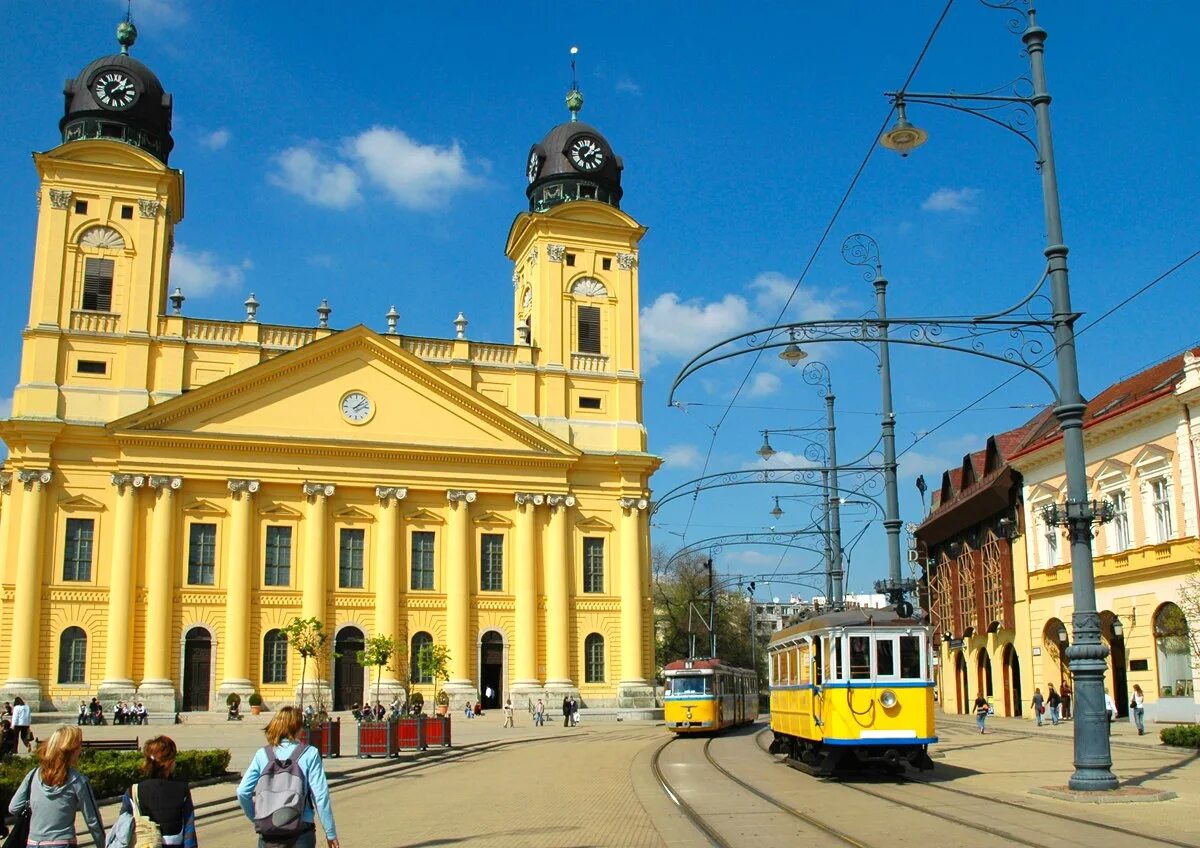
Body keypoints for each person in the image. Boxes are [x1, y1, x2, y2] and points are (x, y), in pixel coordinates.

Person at [237, 706, 339, 848]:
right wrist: (330, 833)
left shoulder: (262, 754)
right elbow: (320, 797)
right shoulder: (310, 753)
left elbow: (242, 791)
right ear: (297, 727)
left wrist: (255, 817)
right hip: (301, 830)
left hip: (269, 832)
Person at [8, 725, 106, 847]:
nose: (81, 749)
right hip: (63, 842)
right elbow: (93, 821)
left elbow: (13, 807)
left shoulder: (33, 774)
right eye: (79, 744)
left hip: (34, 842)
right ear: (71, 749)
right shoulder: (78, 780)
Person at [107, 735, 198, 848]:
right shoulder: (182, 790)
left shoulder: (133, 791)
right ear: (169, 763)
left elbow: (123, 829)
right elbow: (189, 834)